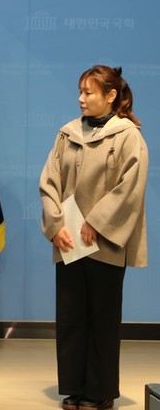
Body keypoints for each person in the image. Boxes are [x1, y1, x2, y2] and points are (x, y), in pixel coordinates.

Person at [40, 65, 148, 410]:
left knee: (102, 318)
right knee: (71, 317)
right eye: (80, 91)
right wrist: (56, 224)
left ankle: (100, 392)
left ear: (111, 95)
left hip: (104, 243)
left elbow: (131, 187)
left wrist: (98, 222)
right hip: (69, 240)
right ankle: (75, 387)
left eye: (88, 92)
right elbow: (49, 182)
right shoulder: (67, 134)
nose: (81, 99)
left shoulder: (128, 136)